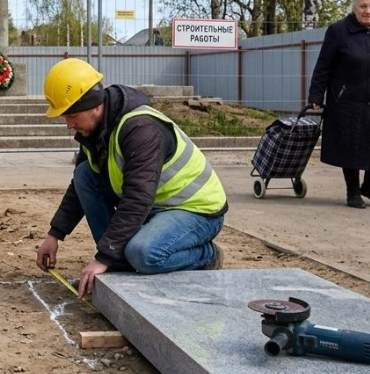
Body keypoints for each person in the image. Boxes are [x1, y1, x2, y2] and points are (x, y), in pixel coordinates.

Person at [34, 58, 228, 297]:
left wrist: (103, 257)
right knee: (84, 174)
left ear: (95, 105)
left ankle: (206, 255)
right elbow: (81, 188)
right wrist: (54, 236)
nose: (68, 125)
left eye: (72, 115)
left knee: (143, 254)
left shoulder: (140, 129)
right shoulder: (97, 130)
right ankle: (119, 260)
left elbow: (137, 197)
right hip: (155, 209)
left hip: (196, 210)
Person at [307, 0, 370, 209]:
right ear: (354, 7)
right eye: (363, 6)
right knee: (351, 145)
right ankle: (353, 191)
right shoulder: (338, 31)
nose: (368, 11)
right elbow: (323, 66)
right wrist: (316, 95)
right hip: (347, 99)